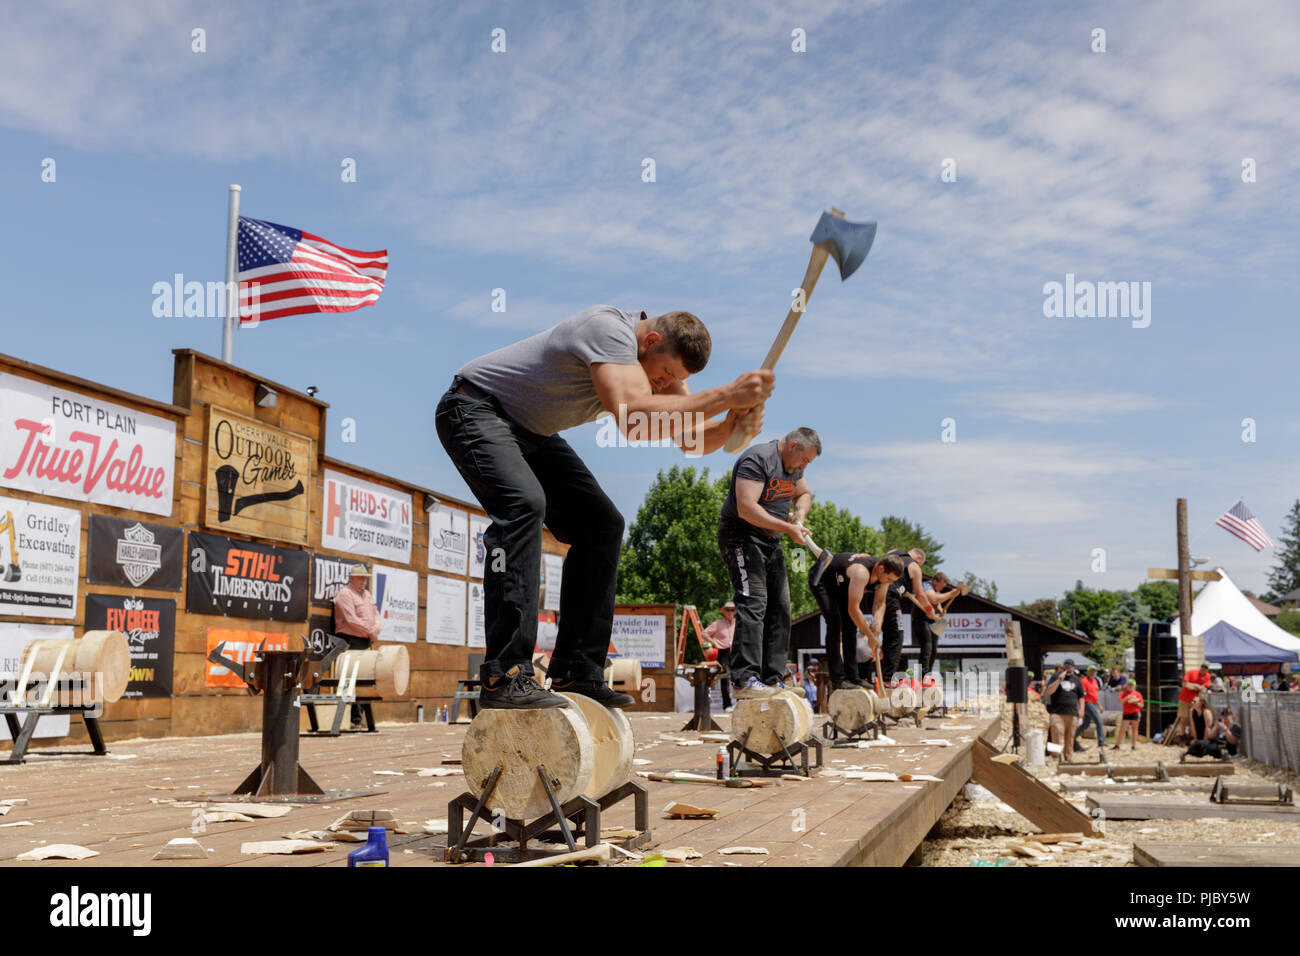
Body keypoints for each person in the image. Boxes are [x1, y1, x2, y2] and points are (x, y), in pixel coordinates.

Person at [437, 306, 773, 709]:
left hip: (529, 430)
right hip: (474, 409)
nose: (663, 383)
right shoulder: (608, 330)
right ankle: (504, 674)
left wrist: (731, 426)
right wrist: (724, 397)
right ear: (650, 340)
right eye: (664, 373)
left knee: (602, 525)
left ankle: (576, 670)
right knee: (524, 505)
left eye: (672, 380)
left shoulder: (653, 361)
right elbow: (633, 422)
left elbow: (691, 440)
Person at [717, 428, 820, 699]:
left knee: (781, 607)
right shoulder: (758, 459)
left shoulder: (793, 467)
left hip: (770, 541)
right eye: (805, 460)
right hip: (741, 537)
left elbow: (804, 494)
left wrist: (798, 515)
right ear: (793, 445)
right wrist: (787, 529)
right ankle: (743, 679)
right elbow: (746, 508)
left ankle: (772, 678)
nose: (804, 466)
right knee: (753, 602)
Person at [807, 550, 905, 689]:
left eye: (893, 581)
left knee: (850, 626)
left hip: (842, 586)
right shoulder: (861, 573)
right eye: (889, 579)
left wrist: (877, 623)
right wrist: (870, 636)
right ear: (881, 569)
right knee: (835, 624)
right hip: (823, 580)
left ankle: (853, 676)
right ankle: (838, 679)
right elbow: (853, 609)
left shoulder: (884, 573)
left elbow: (880, 602)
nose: (890, 583)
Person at [333, 563, 384, 726]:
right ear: (352, 578)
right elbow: (350, 619)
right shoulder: (345, 594)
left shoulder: (367, 595)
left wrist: (375, 629)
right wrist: (370, 631)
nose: (364, 581)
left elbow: (376, 616)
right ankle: (350, 718)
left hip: (364, 640)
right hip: (350, 640)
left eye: (365, 578)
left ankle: (359, 717)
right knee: (351, 678)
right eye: (361, 578)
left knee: (365, 678)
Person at [878, 549, 937, 688]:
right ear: (918, 559)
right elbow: (920, 594)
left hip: (877, 591)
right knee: (897, 636)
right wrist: (929, 609)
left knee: (888, 636)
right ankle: (888, 679)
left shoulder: (893, 552)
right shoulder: (915, 567)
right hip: (890, 596)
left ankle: (882, 676)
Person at [912, 571, 960, 678]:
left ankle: (927, 674)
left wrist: (941, 610)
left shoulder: (935, 590)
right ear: (934, 581)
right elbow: (932, 598)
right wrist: (951, 593)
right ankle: (922, 675)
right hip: (921, 620)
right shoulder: (926, 585)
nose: (941, 589)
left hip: (932, 621)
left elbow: (937, 602)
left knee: (934, 649)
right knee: (927, 647)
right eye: (940, 586)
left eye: (943, 587)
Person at [1043, 659, 1086, 763]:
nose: (1068, 667)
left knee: (1069, 737)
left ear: (1073, 667)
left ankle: (1068, 757)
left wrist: (1081, 709)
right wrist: (1058, 680)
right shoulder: (1056, 676)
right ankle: (1055, 757)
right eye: (1066, 665)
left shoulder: (1076, 680)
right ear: (1063, 667)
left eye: (1070, 665)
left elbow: (1081, 697)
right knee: (1056, 734)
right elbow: (1049, 691)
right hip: (1057, 712)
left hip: (1072, 712)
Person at [701, 601, 737, 710]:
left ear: (734, 612)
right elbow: (704, 633)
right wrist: (714, 643)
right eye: (728, 610)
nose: (730, 612)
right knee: (724, 678)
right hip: (723, 652)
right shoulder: (718, 624)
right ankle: (727, 705)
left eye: (732, 610)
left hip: (736, 652)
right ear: (724, 612)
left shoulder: (738, 623)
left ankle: (740, 703)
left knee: (739, 677)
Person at [1172, 660, 1214, 741]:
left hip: (1195, 701)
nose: (1203, 668)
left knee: (1193, 721)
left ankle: (1192, 738)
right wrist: (1195, 686)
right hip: (1184, 699)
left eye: (1205, 667)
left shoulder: (1207, 676)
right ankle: (1182, 737)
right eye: (1202, 666)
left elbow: (1204, 687)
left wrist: (1195, 687)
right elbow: (1184, 684)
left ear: (1207, 669)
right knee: (1183, 719)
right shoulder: (1191, 672)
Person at [1073, 665, 1106, 751]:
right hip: (1087, 703)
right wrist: (1081, 707)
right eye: (1091, 671)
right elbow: (1082, 695)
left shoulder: (1095, 681)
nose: (1092, 673)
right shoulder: (1084, 681)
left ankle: (1072, 737)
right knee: (1098, 721)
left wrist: (1099, 705)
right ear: (1087, 672)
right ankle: (1101, 742)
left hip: (1093, 703)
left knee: (1085, 724)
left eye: (1094, 671)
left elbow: (1095, 695)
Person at [1115, 682, 1143, 749]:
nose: (1130, 686)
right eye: (1129, 685)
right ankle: (1117, 745)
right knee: (1123, 729)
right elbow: (1120, 702)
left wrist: (1136, 703)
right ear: (1126, 686)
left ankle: (1133, 746)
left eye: (1132, 685)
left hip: (1135, 712)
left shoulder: (1138, 694)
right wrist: (1126, 698)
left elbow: (1141, 705)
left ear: (1134, 686)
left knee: (1134, 729)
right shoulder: (1123, 693)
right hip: (1126, 713)